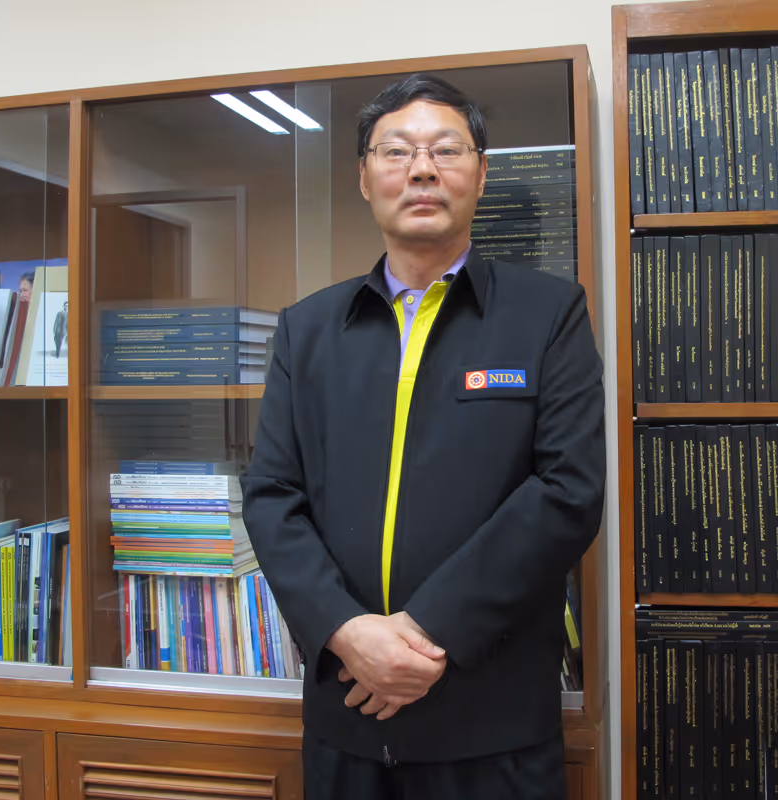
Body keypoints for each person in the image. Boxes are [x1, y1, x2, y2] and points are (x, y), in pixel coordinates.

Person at [241, 74, 604, 800]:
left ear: (481, 173)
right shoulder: (307, 329)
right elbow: (272, 494)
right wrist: (346, 632)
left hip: (491, 724)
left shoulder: (548, 315)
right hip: (346, 714)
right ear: (364, 178)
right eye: (397, 151)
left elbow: (568, 492)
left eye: (446, 149)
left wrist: (423, 631)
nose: (422, 169)